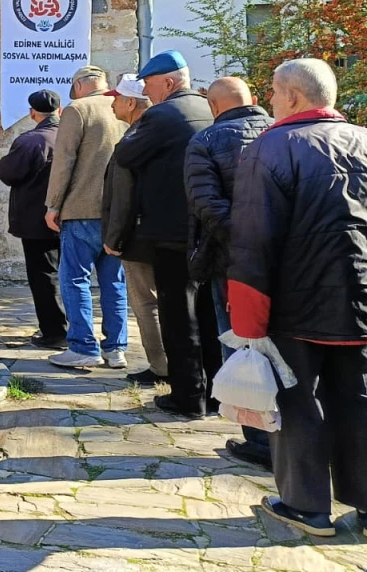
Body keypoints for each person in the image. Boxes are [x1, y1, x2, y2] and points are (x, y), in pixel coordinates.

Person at [230, 58, 367, 538]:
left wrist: (247, 318)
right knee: (359, 396)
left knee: (297, 400)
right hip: (361, 301)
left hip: (296, 304)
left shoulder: (271, 146)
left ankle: (306, 506)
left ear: (291, 96)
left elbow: (252, 236)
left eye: (272, 92)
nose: (268, 99)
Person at [113, 50, 216, 417]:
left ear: (169, 82)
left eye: (150, 86)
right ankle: (214, 390)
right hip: (206, 227)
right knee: (206, 311)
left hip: (172, 231)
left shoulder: (162, 114)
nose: (147, 93)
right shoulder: (207, 108)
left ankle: (188, 396)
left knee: (178, 314)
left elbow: (124, 154)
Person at [184, 75, 273, 467]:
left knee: (239, 345)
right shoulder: (279, 132)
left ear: (213, 106)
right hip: (286, 260)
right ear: (252, 99)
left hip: (233, 262)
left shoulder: (205, 141)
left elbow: (206, 203)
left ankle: (258, 438)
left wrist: (245, 241)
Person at [44, 65, 128, 369]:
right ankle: (116, 349)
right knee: (114, 281)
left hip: (83, 208)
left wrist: (53, 205)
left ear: (79, 85)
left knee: (75, 279)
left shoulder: (78, 109)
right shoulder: (126, 106)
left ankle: (82, 346)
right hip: (118, 212)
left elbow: (64, 160)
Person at [101, 75, 168, 386]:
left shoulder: (136, 138)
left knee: (146, 303)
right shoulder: (158, 133)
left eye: (116, 99)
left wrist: (114, 238)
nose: (112, 104)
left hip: (140, 234)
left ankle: (160, 366)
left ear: (131, 103)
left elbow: (123, 193)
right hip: (161, 230)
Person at [0, 89, 67, 349]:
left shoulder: (30, 141)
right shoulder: (71, 136)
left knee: (44, 276)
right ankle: (76, 331)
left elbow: (8, 171)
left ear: (32, 112)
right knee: (70, 276)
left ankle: (55, 332)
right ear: (59, 110)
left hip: (37, 218)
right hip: (69, 215)